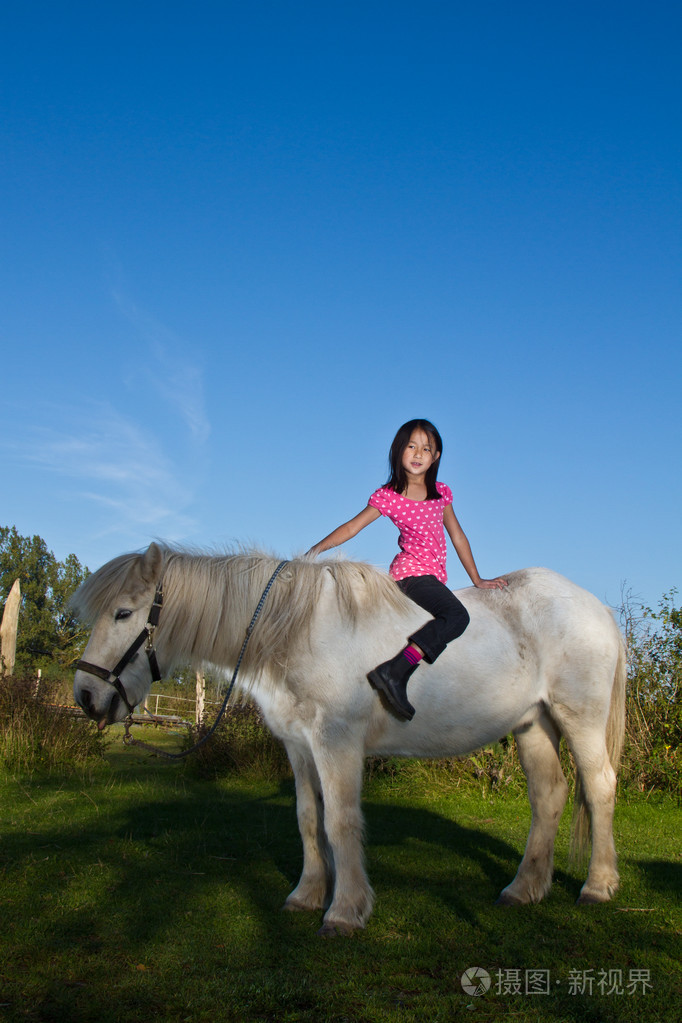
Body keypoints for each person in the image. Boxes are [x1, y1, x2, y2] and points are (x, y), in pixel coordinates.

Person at [307, 419, 507, 721]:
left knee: (451, 614)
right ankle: (396, 671)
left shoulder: (441, 494)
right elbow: (352, 527)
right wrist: (314, 552)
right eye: (411, 446)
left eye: (426, 449)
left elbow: (457, 536)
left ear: (436, 456)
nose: (418, 453)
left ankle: (399, 672)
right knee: (457, 617)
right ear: (399, 450)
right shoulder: (390, 495)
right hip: (410, 575)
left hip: (432, 577)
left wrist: (476, 579)